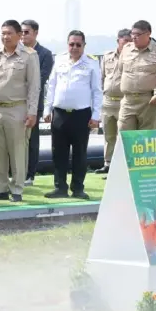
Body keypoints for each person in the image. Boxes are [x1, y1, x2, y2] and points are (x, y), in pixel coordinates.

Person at [0, 20, 40, 203]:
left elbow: (34, 86)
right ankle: (1, 188)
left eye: (9, 33)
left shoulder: (29, 55)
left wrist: (32, 112)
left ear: (19, 35)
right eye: (3, 33)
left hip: (17, 109)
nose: (5, 37)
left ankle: (17, 189)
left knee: (17, 152)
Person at [42, 30, 101, 200]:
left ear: (84, 45)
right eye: (71, 44)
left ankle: (78, 188)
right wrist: (47, 109)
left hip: (81, 115)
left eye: (78, 44)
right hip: (60, 114)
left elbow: (97, 91)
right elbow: (51, 86)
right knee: (58, 153)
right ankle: (60, 187)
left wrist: (96, 115)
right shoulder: (60, 60)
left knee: (80, 153)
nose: (74, 47)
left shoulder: (91, 63)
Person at [114, 20, 156, 132]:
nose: (134, 37)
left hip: (150, 101)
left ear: (148, 34)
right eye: (132, 34)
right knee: (125, 135)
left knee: (147, 137)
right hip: (128, 101)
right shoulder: (126, 49)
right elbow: (120, 70)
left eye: (138, 34)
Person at [20, 19, 54, 185]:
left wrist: (18, 84)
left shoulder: (45, 54)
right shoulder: (17, 51)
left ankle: (29, 174)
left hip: (33, 104)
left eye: (26, 32)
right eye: (21, 32)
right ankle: (15, 172)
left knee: (31, 141)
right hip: (14, 102)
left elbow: (40, 79)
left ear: (35, 33)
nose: (23, 35)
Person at [97, 28, 132, 175]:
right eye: (125, 41)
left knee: (123, 135)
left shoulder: (132, 57)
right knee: (108, 135)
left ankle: (122, 166)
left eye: (130, 42)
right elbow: (101, 77)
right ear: (118, 41)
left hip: (124, 101)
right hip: (108, 101)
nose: (128, 45)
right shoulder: (108, 56)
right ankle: (108, 163)